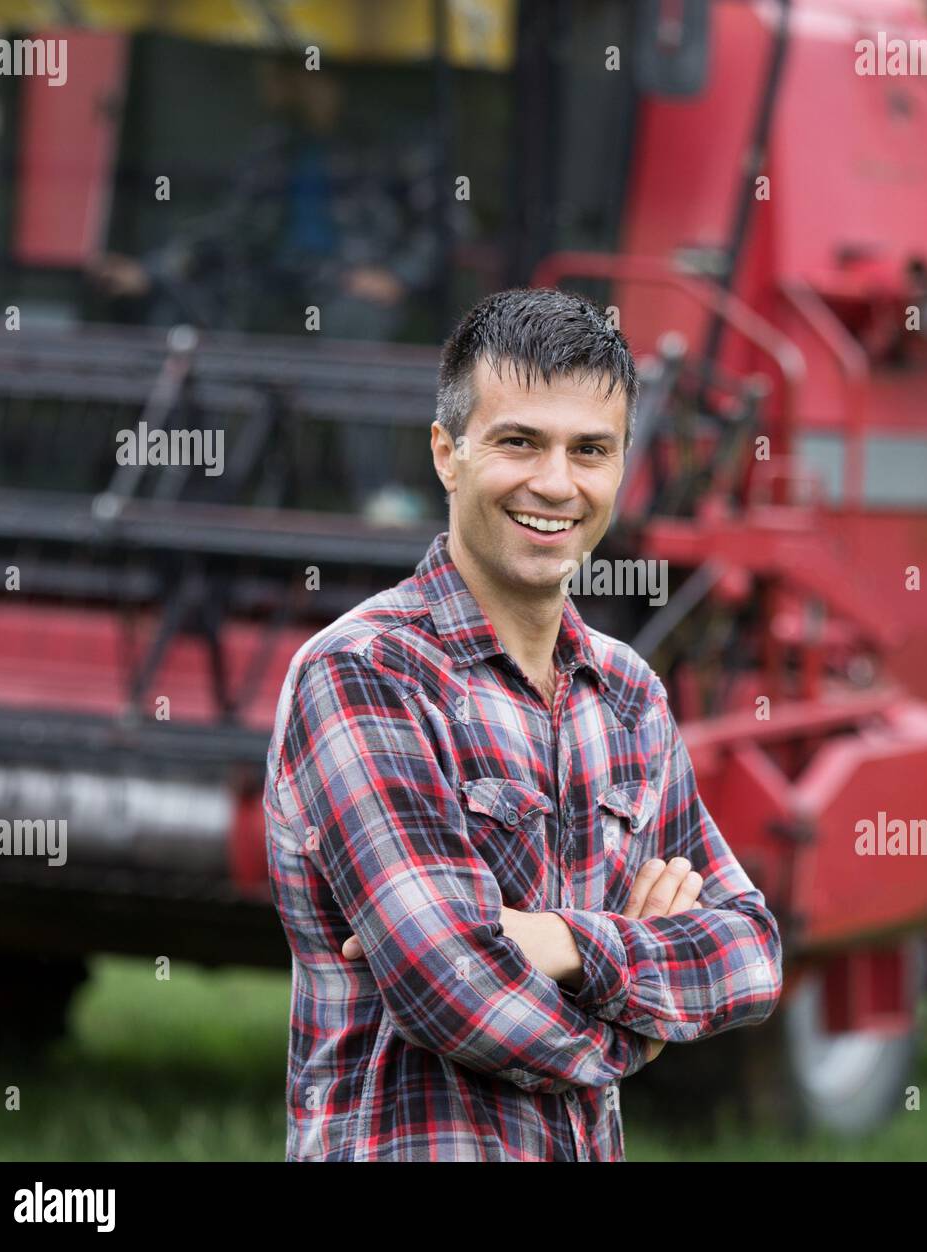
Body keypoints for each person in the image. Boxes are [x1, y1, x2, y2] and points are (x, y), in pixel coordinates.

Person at [262, 287, 784, 1161]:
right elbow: (448, 987)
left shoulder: (629, 697)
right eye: (519, 442)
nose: (556, 483)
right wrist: (636, 1030)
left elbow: (753, 951)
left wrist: (560, 942)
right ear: (447, 454)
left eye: (591, 450)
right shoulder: (363, 674)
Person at [88, 61, 443, 519]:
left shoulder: (394, 146)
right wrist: (152, 272)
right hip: (277, 289)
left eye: (281, 74)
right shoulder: (276, 147)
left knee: (351, 330)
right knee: (196, 321)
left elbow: (444, 227)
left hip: (353, 293)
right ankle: (206, 492)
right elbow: (227, 227)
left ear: (318, 79)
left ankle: (375, 494)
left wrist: (397, 276)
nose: (268, 87)